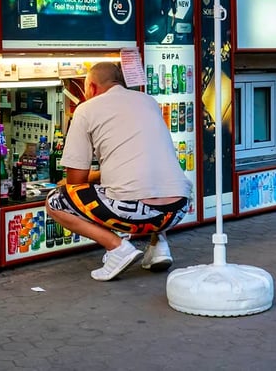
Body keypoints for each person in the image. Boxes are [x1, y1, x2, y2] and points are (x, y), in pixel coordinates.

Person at [46, 62, 192, 281]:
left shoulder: (86, 109)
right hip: (177, 209)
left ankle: (117, 248)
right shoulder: (148, 101)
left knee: (56, 200)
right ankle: (158, 246)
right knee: (145, 180)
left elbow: (76, 180)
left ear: (92, 88)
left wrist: (69, 183)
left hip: (134, 210)